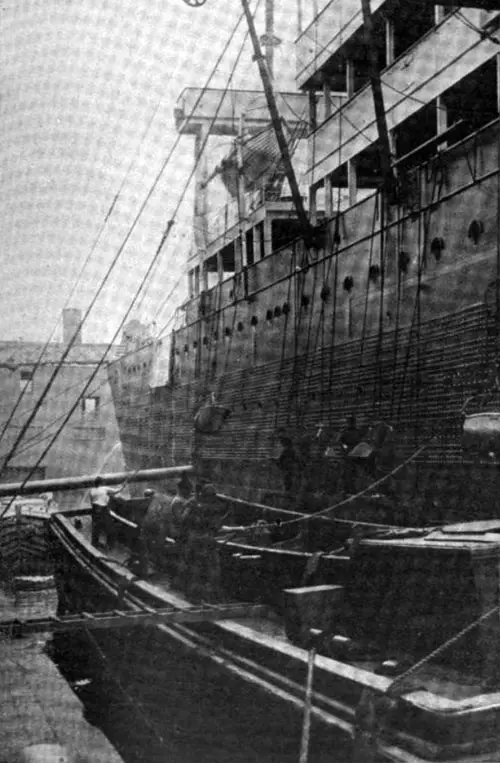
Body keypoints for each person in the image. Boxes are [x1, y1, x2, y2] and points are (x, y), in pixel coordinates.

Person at [90, 477, 124, 548]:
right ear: (101, 483)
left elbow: (92, 501)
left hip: (95, 509)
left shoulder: (92, 490)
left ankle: (94, 543)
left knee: (96, 528)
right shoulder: (104, 488)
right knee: (110, 528)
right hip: (103, 509)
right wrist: (122, 486)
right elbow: (117, 491)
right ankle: (109, 545)